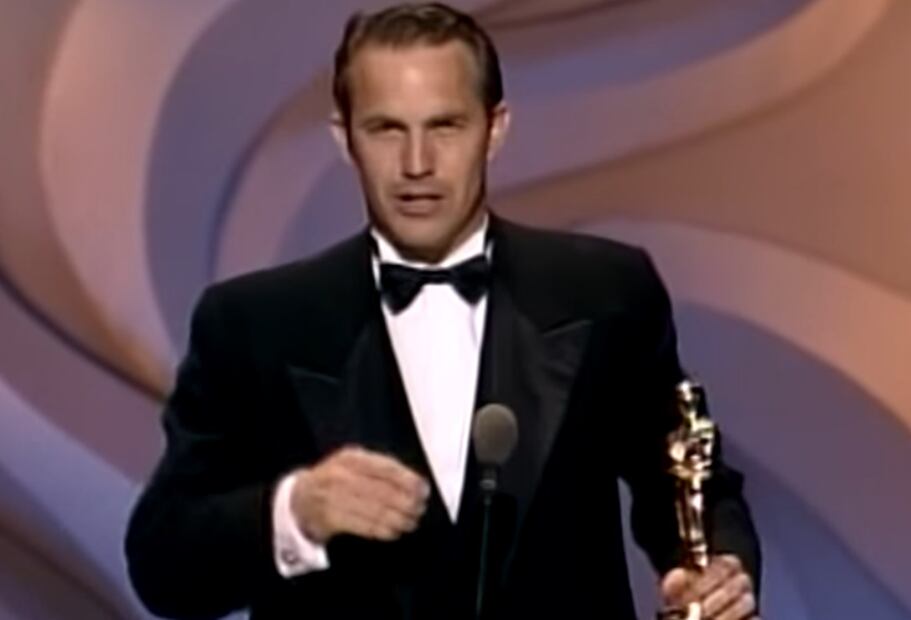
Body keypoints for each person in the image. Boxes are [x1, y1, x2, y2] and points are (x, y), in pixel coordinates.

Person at [125, 3, 761, 619]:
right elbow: (163, 563)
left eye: (445, 126)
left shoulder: (606, 292)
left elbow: (686, 483)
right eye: (386, 129)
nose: (416, 165)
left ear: (496, 128)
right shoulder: (252, 325)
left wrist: (715, 572)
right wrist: (298, 511)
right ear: (345, 139)